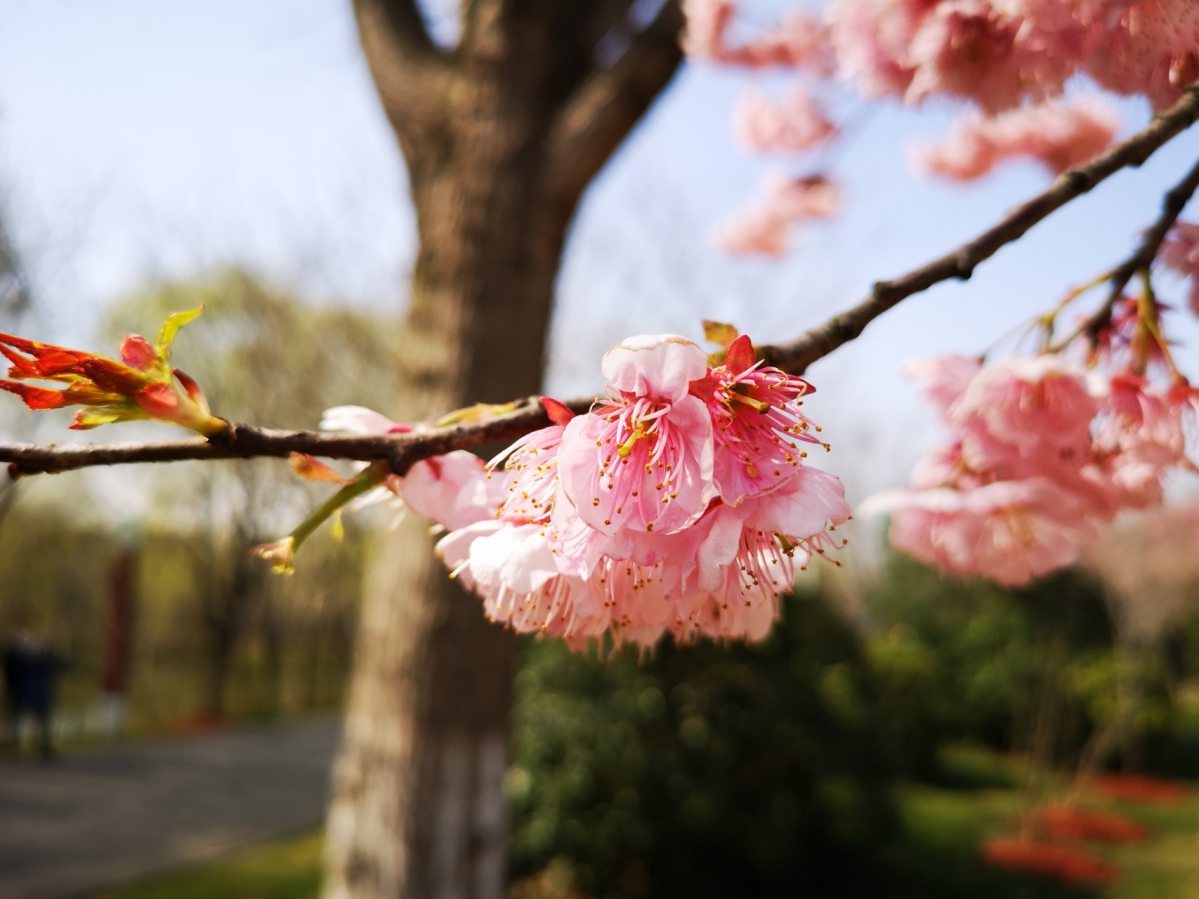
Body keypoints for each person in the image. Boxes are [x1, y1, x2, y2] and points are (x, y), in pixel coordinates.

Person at [2, 616, 61, 761]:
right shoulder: (24, 651)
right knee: (23, 719)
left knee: (36, 720)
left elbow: (50, 668)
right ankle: (22, 746)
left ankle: (41, 747)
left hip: (31, 689)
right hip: (28, 689)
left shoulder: (30, 650)